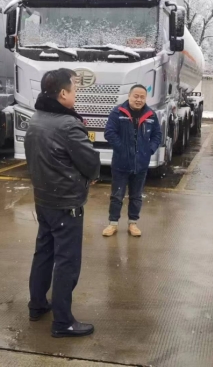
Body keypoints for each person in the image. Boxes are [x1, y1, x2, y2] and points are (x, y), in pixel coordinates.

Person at [25, 68, 100, 338]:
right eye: (74, 90)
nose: (76, 94)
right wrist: (91, 176)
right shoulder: (68, 124)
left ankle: (37, 305)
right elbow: (90, 162)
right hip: (66, 203)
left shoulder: (37, 118)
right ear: (62, 94)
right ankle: (63, 322)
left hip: (43, 198)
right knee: (67, 261)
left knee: (44, 253)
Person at [103, 85, 162, 237]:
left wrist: (149, 150)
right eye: (136, 96)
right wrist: (122, 149)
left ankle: (133, 223)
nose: (139, 100)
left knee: (136, 196)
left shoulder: (150, 115)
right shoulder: (118, 112)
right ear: (129, 96)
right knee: (117, 195)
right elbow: (109, 132)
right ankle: (113, 224)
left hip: (141, 164)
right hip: (120, 163)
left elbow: (157, 135)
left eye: (142, 97)